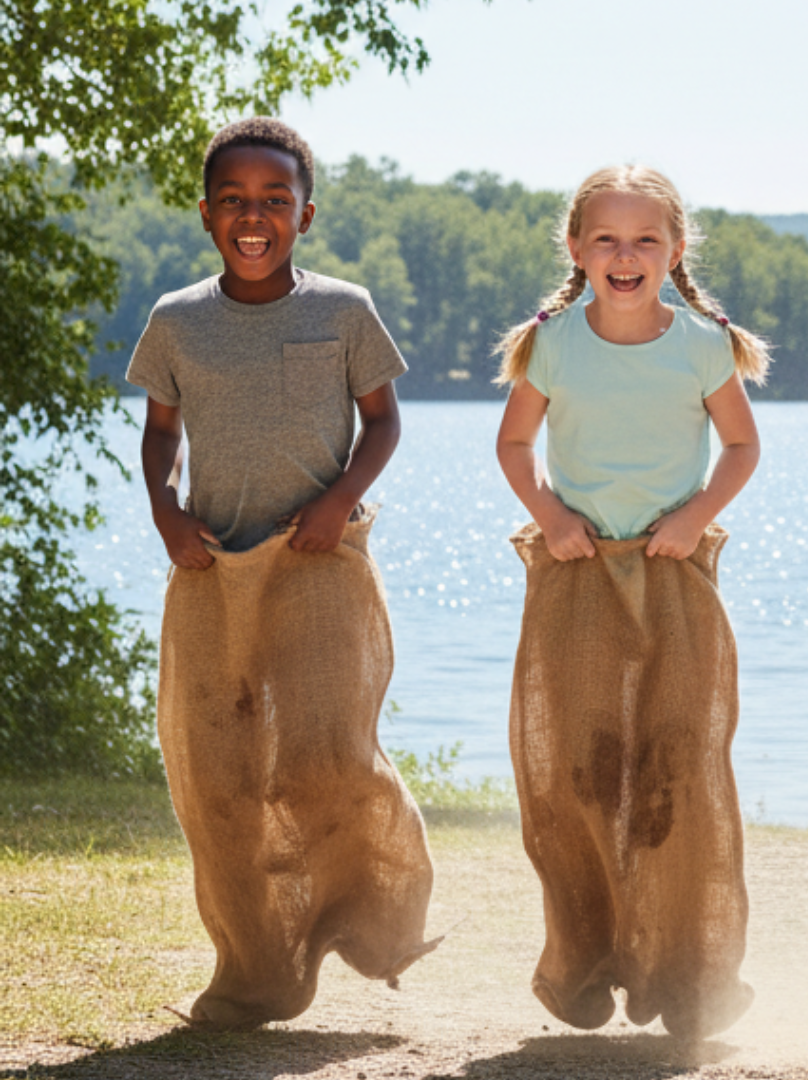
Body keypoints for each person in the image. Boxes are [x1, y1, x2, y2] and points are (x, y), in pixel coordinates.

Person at [127, 117, 434, 1029]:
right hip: (213, 569)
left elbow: (383, 422)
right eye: (233, 201)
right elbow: (158, 434)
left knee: (330, 759)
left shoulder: (343, 310)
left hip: (318, 564)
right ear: (205, 213)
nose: (252, 217)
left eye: (273, 201)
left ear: (306, 213)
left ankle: (373, 920)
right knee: (217, 777)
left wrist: (340, 501)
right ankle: (255, 971)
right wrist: (166, 510)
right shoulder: (176, 320)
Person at [494, 165, 767, 1038]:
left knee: (674, 770)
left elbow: (740, 446)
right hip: (577, 576)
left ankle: (687, 973)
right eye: (606, 239)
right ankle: (587, 958)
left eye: (645, 238)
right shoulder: (554, 344)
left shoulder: (700, 345)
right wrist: (550, 515)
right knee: (578, 770)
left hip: (671, 575)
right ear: (576, 250)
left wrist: (694, 517)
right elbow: (514, 443)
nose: (625, 254)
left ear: (675, 251)